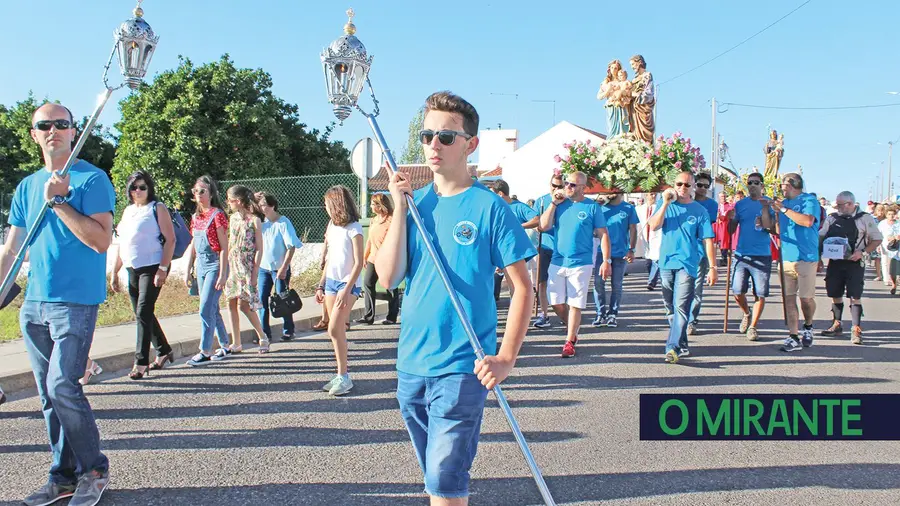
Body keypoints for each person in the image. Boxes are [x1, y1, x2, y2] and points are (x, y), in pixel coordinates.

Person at [375, 91, 535, 505]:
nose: (433, 145)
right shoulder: (414, 205)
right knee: (435, 479)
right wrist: (398, 206)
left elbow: (523, 286)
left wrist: (506, 357)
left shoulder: (489, 207)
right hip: (411, 362)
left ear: (470, 144)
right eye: (427, 136)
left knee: (446, 482)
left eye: (446, 137)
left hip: (464, 365)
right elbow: (388, 276)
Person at [1, 102, 114, 506]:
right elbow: (12, 247)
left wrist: (61, 202)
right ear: (34, 134)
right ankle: (62, 476)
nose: (53, 130)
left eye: (62, 124)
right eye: (44, 125)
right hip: (33, 302)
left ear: (72, 131)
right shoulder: (26, 186)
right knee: (48, 396)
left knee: (62, 386)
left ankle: (95, 469)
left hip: (75, 301)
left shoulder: (91, 179)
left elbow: (101, 241)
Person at [110, 171, 175, 379]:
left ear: (149, 189)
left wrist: (163, 269)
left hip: (153, 266)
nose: (137, 191)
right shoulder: (128, 211)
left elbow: (170, 239)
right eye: (134, 187)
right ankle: (163, 350)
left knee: (143, 312)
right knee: (142, 313)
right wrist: (114, 271)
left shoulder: (157, 208)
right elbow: (122, 243)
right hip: (132, 267)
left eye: (142, 187)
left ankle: (140, 362)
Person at [647, 171, 717, 363]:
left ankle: (672, 347)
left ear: (693, 186)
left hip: (688, 263)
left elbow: (708, 240)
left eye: (687, 185)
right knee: (669, 306)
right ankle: (682, 342)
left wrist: (713, 267)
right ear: (674, 184)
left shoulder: (700, 211)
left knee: (681, 307)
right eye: (679, 184)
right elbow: (653, 225)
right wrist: (666, 203)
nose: (682, 188)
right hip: (666, 262)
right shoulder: (665, 204)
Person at [539, 170, 611, 357]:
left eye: (572, 185)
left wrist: (605, 260)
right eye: (566, 183)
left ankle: (569, 340)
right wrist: (553, 203)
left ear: (583, 188)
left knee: (575, 303)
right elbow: (543, 226)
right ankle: (572, 325)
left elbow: (603, 234)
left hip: (582, 261)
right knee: (555, 302)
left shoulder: (592, 207)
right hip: (558, 260)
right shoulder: (559, 205)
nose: (567, 187)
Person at [317, 185, 365, 396]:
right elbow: (330, 258)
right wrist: (321, 283)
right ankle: (340, 374)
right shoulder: (332, 226)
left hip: (349, 284)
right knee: (334, 330)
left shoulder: (355, 228)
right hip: (331, 282)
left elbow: (358, 262)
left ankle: (344, 376)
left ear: (336, 203)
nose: (324, 206)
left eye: (327, 202)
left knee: (335, 328)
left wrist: (346, 290)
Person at [818, 192, 882, 344]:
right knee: (834, 292)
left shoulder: (865, 218)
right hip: (835, 261)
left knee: (855, 295)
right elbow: (821, 236)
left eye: (840, 205)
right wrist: (819, 257)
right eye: (837, 205)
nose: (837, 208)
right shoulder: (832, 218)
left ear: (850, 204)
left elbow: (877, 239)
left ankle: (856, 327)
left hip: (854, 262)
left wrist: (863, 252)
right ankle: (837, 323)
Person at [183, 175, 232, 366]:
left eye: (202, 191)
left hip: (215, 264)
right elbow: (194, 245)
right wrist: (188, 269)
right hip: (201, 265)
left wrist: (222, 273)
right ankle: (225, 345)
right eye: (195, 191)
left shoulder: (217, 215)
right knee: (212, 308)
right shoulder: (195, 217)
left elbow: (224, 247)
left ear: (211, 193)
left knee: (204, 308)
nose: (198, 194)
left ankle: (205, 350)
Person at [771, 172, 821, 352]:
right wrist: (771, 214)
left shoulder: (809, 200)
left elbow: (807, 221)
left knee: (806, 299)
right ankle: (793, 336)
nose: (781, 189)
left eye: (783, 185)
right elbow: (778, 229)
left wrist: (784, 210)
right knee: (789, 300)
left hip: (806, 257)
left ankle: (808, 325)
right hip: (786, 257)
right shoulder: (782, 204)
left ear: (790, 185)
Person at [725, 172, 775, 341]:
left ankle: (753, 326)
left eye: (756, 182)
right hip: (741, 254)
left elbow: (771, 228)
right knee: (737, 291)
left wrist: (766, 209)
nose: (752, 185)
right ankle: (746, 313)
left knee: (760, 294)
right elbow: (731, 230)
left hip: (762, 254)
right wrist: (730, 220)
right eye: (749, 182)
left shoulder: (768, 202)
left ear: (762, 185)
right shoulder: (740, 205)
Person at [223, 185, 268, 353]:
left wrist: (255, 272)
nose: (228, 203)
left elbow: (259, 248)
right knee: (230, 302)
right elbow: (230, 241)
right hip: (233, 265)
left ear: (239, 201)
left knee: (245, 305)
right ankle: (236, 342)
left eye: (230, 200)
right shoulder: (233, 218)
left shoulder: (254, 220)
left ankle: (262, 336)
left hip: (247, 265)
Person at [256, 191, 303, 341]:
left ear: (272, 206)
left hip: (279, 268)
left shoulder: (283, 222)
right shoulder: (261, 223)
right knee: (262, 300)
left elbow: (291, 246)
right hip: (264, 268)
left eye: (264, 205)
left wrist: (284, 268)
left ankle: (288, 330)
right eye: (260, 205)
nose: (262, 208)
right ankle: (264, 333)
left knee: (283, 300)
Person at [592, 191, 639, 327]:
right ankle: (600, 313)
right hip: (602, 252)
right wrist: (597, 204)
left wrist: (632, 249)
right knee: (598, 283)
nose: (611, 192)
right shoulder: (600, 207)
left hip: (621, 252)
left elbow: (633, 229)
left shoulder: (629, 208)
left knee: (616, 285)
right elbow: (594, 229)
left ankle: (613, 314)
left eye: (614, 189)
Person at [489, 179, 539, 300]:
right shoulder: (495, 208)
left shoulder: (519, 207)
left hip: (519, 251)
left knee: (518, 285)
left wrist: (520, 226)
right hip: (501, 251)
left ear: (500, 193)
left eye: (493, 193)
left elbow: (537, 219)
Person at [358, 193, 401, 325]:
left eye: (373, 204)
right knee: (368, 283)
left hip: (387, 259)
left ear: (380, 205)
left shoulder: (391, 220)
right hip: (373, 258)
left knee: (391, 286)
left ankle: (392, 316)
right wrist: (365, 256)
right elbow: (370, 240)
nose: (371, 207)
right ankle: (368, 316)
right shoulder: (373, 221)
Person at [531, 173, 567, 328]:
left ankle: (565, 313)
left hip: (563, 247)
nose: (557, 189)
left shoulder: (569, 201)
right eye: (554, 185)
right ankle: (543, 315)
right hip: (544, 245)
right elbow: (535, 220)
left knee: (564, 281)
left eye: (560, 186)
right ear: (550, 185)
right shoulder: (541, 201)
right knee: (542, 282)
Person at [687, 172, 718, 335]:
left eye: (706, 186)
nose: (703, 189)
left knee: (696, 288)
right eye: (700, 185)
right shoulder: (684, 200)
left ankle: (692, 320)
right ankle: (679, 317)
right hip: (683, 250)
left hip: (701, 251)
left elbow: (706, 230)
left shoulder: (712, 205)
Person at [628, 54, 656, 144]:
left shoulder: (647, 75)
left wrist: (636, 95)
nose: (632, 67)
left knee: (645, 136)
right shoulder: (633, 80)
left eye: (633, 64)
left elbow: (649, 93)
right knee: (635, 133)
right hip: (633, 110)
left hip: (643, 109)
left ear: (639, 62)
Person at [878, 206, 900, 294]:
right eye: (889, 214)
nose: (891, 216)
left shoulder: (898, 224)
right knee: (890, 267)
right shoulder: (882, 224)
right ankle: (893, 284)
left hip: (898, 248)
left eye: (893, 214)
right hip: (887, 248)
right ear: (886, 215)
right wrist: (878, 246)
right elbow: (878, 236)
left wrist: (896, 237)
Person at [872, 203, 887, 283]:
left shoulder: (886, 220)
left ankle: (886, 275)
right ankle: (879, 275)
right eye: (879, 210)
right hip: (876, 240)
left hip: (885, 240)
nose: (880, 212)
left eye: (882, 211)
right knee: (877, 258)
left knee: (885, 259)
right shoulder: (873, 219)